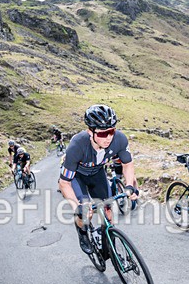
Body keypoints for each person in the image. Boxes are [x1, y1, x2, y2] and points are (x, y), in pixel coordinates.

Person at [58, 104, 139, 254]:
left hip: (96, 173)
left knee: (108, 211)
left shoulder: (119, 139)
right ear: (91, 132)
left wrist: (129, 186)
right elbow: (64, 183)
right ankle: (82, 232)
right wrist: (77, 207)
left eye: (111, 131)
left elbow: (127, 164)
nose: (108, 138)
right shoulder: (77, 145)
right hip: (77, 177)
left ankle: (109, 243)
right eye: (102, 134)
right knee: (85, 213)